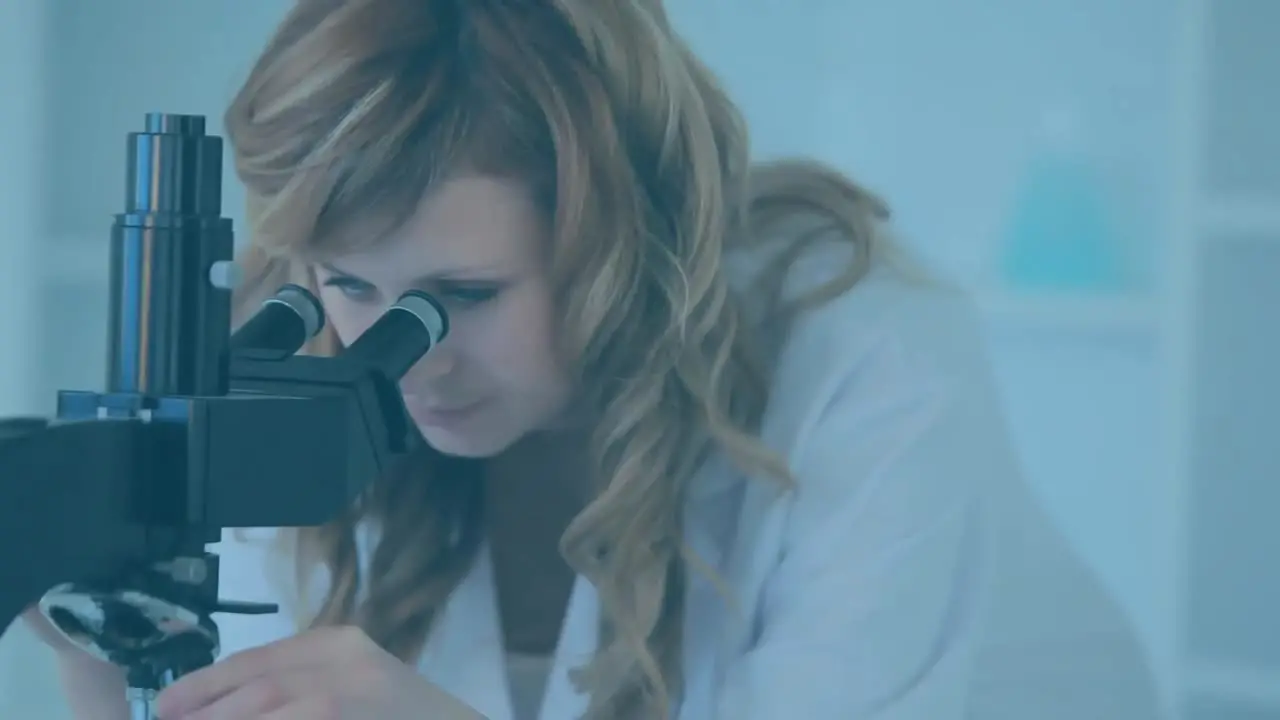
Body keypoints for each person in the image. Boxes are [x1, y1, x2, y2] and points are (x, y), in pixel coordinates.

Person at [26, 0, 1161, 718]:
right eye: (350, 284)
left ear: (624, 237)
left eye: (462, 296)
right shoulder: (318, 342)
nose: (394, 357)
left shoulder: (867, 364)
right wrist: (95, 660)